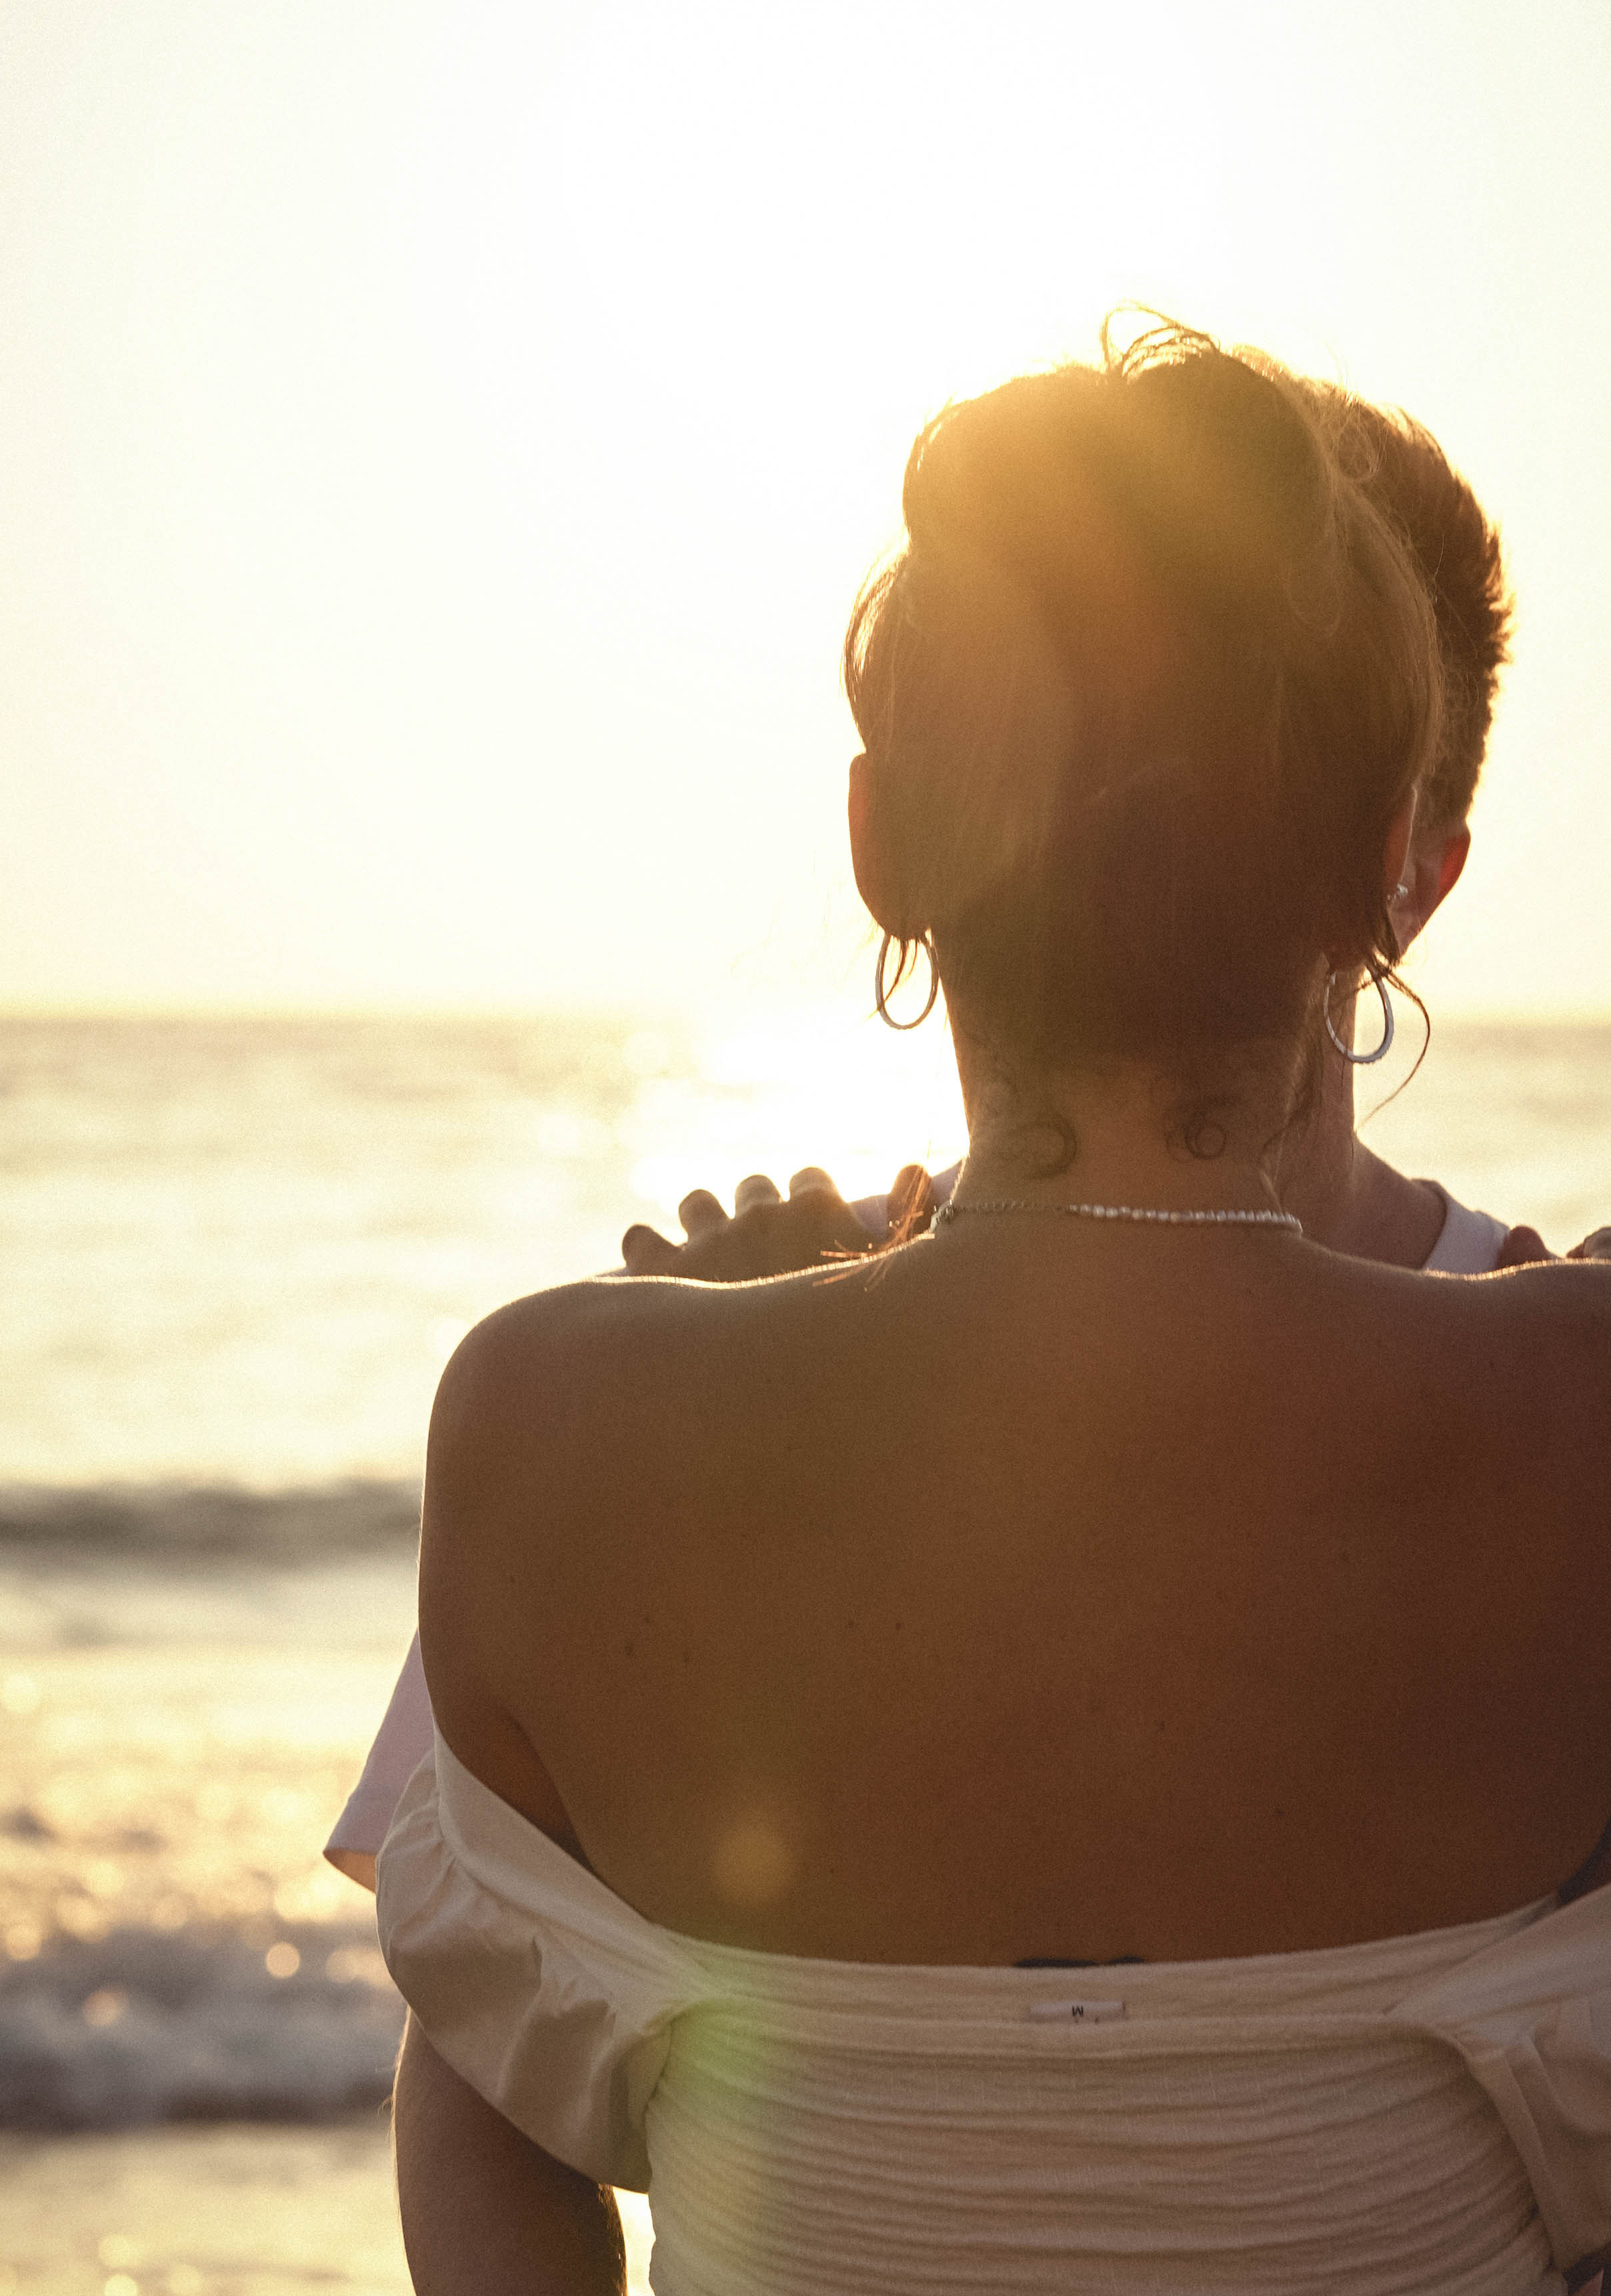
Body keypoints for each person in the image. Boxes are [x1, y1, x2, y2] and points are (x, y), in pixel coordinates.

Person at [376, 324, 1611, 2295]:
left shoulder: (551, 1418)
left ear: (882, 842)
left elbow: (497, 2078)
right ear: (1395, 865)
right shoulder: (1580, 1415)